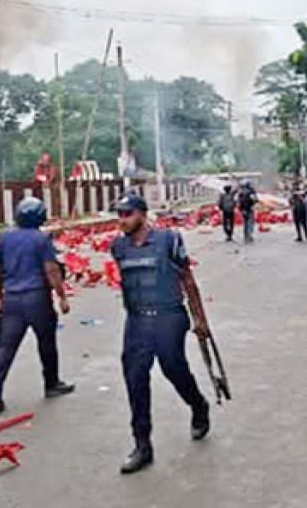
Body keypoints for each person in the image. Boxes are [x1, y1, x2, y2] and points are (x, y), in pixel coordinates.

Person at [110, 192, 211, 475]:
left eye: (127, 214)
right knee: (135, 378)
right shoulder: (118, 246)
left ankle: (198, 405)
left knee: (172, 367)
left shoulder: (169, 240)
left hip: (169, 316)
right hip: (138, 320)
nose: (122, 220)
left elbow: (187, 280)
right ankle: (142, 445)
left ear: (142, 214)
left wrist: (200, 320)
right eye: (119, 215)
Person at [0, 197, 75, 413]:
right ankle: (51, 383)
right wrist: (62, 296)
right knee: (46, 342)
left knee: (6, 347)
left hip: (12, 300)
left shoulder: (4, 237)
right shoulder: (40, 239)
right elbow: (51, 270)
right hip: (37, 299)